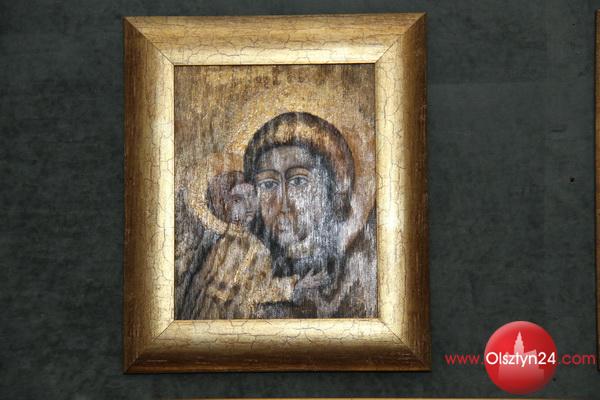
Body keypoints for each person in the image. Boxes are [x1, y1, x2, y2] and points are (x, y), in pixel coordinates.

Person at [243, 112, 377, 318]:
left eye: (298, 182)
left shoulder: (351, 275)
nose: (283, 204)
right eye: (268, 184)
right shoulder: (250, 272)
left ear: (331, 188)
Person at [181, 172, 297, 319]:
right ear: (225, 205)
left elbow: (255, 291)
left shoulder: (258, 247)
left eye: (251, 195)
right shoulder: (222, 244)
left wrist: (292, 286)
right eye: (237, 200)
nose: (247, 205)